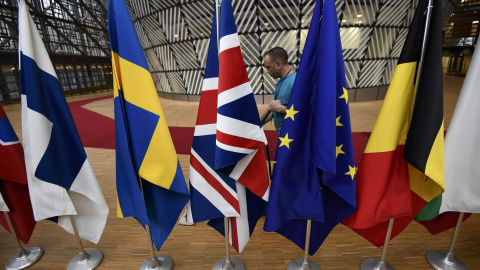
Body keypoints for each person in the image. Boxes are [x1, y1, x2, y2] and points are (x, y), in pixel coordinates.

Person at [261, 47, 297, 134]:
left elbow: (306, 113)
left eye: (268, 67)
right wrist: (256, 125)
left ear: (278, 64)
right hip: (283, 137)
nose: (267, 71)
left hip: (294, 138)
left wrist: (280, 108)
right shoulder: (281, 80)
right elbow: (273, 110)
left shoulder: (296, 81)